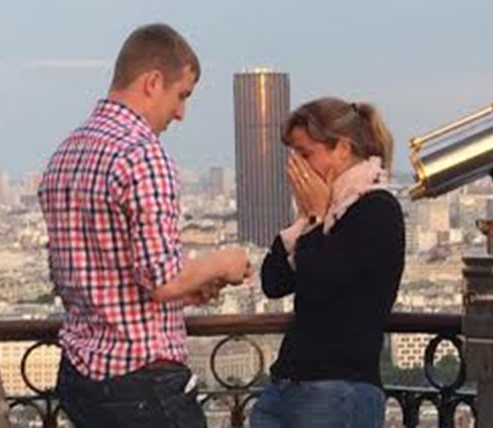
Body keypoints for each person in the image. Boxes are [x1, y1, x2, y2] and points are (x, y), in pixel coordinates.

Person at [37, 23, 250, 428]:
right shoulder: (142, 153)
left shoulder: (65, 154)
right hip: (141, 382)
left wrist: (188, 289)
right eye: (181, 95)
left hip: (82, 375)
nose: (181, 113)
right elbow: (162, 278)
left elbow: (88, 279)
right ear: (153, 82)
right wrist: (223, 262)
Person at [250, 97, 406, 427]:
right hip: (288, 385)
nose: (297, 166)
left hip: (338, 389)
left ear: (342, 149)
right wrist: (308, 218)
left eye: (306, 154)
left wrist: (318, 216)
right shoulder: (324, 213)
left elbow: (321, 278)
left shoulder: (376, 210)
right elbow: (273, 282)